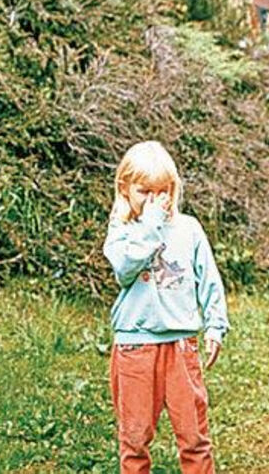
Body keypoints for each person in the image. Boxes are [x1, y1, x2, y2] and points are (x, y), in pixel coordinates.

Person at [104, 141, 229, 474]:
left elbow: (209, 280)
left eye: (165, 191)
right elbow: (125, 269)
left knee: (194, 437)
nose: (156, 200)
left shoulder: (189, 229)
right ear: (125, 189)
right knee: (134, 438)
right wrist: (151, 224)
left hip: (181, 346)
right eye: (145, 191)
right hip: (134, 347)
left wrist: (215, 325)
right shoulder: (122, 231)